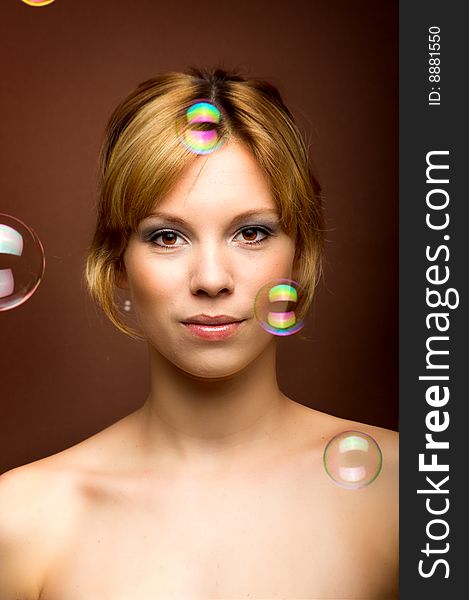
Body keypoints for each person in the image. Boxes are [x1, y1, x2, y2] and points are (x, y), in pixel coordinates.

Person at [0, 68, 398, 600]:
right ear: (116, 264)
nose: (212, 279)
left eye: (251, 232)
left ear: (301, 254)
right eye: (167, 236)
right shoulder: (22, 520)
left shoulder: (416, 493)